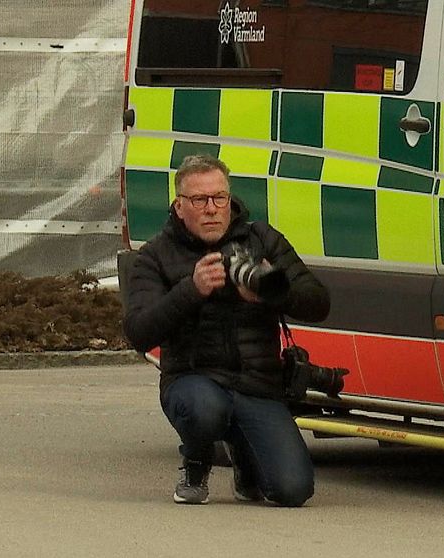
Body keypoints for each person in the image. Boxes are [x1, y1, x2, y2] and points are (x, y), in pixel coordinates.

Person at [123, 154, 330, 506]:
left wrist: (271, 292)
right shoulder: (156, 255)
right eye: (199, 200)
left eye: (220, 198)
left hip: (257, 385)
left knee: (293, 490)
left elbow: (319, 303)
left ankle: (247, 462)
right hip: (192, 381)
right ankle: (196, 462)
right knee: (205, 408)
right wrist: (192, 290)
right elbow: (138, 332)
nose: (212, 209)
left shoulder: (261, 238)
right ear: (179, 207)